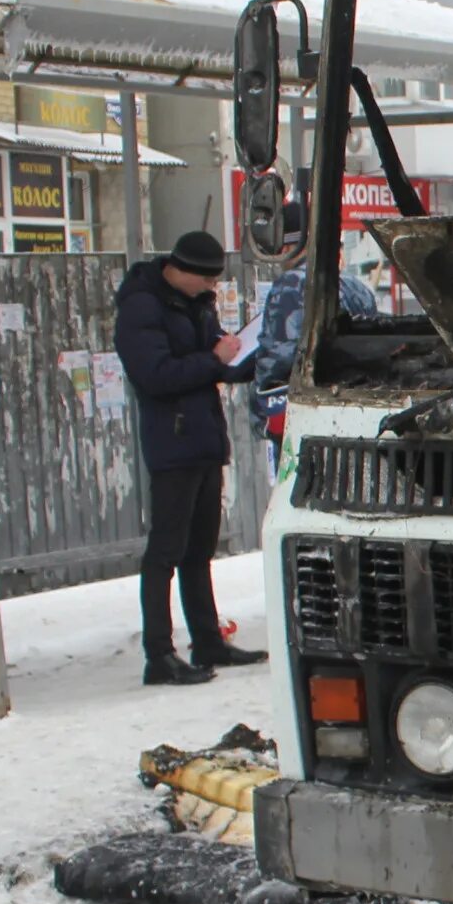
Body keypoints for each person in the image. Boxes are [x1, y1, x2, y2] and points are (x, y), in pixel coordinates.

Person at [114, 231, 266, 686]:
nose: (212, 289)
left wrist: (252, 356)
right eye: (207, 280)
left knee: (199, 551)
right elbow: (154, 375)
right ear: (183, 272)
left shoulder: (193, 303)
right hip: (172, 443)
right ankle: (159, 654)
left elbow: (216, 359)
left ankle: (207, 639)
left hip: (202, 438)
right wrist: (213, 359)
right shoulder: (142, 306)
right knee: (165, 551)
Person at [250, 212, 377, 466]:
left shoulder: (291, 286)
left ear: (287, 245)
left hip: (308, 419)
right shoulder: (357, 288)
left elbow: (278, 361)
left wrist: (258, 411)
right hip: (356, 417)